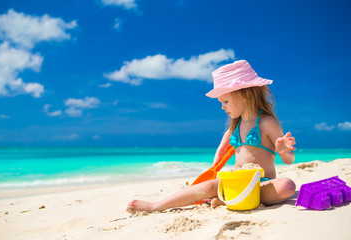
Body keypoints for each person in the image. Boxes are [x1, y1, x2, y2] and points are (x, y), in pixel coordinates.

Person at [127, 60, 296, 213]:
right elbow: (219, 156)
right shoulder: (234, 127)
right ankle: (156, 205)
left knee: (287, 186)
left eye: (226, 101)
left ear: (245, 95)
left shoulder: (267, 122)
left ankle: (230, 199)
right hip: (235, 182)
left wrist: (282, 151)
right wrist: (213, 175)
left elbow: (289, 159)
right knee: (207, 186)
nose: (223, 107)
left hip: (260, 184)